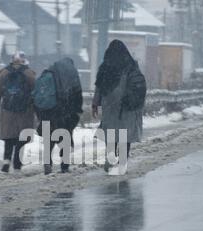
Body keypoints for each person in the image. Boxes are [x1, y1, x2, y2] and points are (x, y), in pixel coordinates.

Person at [92, 40, 146, 173]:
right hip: (125, 106)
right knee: (124, 136)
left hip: (109, 106)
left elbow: (99, 86)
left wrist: (95, 103)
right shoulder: (130, 65)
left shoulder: (105, 66)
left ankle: (110, 159)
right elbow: (138, 85)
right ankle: (122, 162)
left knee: (111, 134)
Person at [35, 57, 83, 175]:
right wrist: (76, 110)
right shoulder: (72, 75)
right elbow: (78, 94)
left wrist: (40, 114)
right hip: (64, 113)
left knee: (48, 140)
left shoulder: (48, 73)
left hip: (47, 112)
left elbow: (37, 95)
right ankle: (64, 166)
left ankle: (47, 162)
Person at [0, 52, 36, 173]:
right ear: (24, 61)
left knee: (9, 137)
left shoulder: (4, 73)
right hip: (24, 112)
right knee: (21, 138)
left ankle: (6, 160)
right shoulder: (29, 74)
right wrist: (39, 111)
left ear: (11, 61)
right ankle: (17, 164)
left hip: (8, 111)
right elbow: (36, 94)